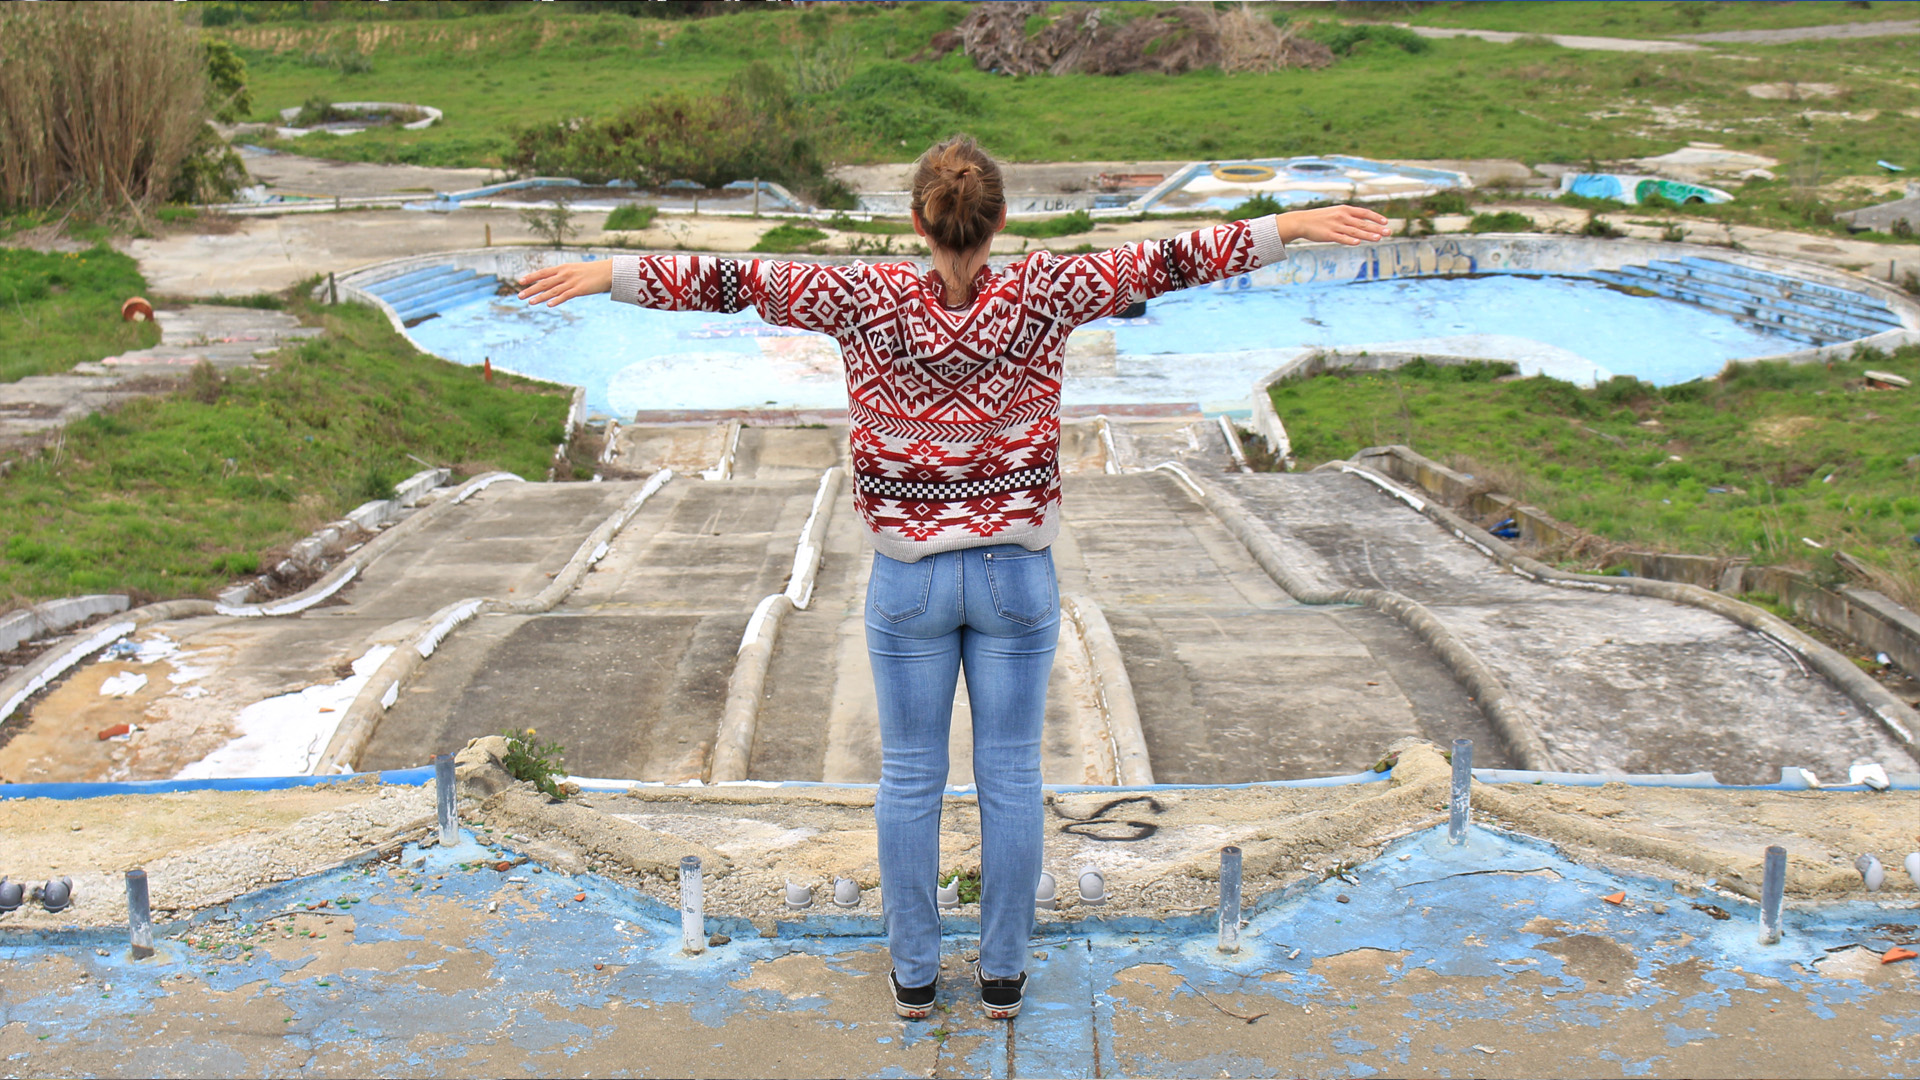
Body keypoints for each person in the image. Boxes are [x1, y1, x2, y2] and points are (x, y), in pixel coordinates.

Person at [517, 135, 1390, 1021]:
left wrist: (607, 271)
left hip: (909, 583)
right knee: (1011, 777)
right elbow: (1172, 261)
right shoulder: (1047, 291)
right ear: (1000, 220)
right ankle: (1003, 975)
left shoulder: (861, 296)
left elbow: (733, 282)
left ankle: (915, 977)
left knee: (908, 779)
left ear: (917, 222)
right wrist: (1292, 223)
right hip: (1018, 573)